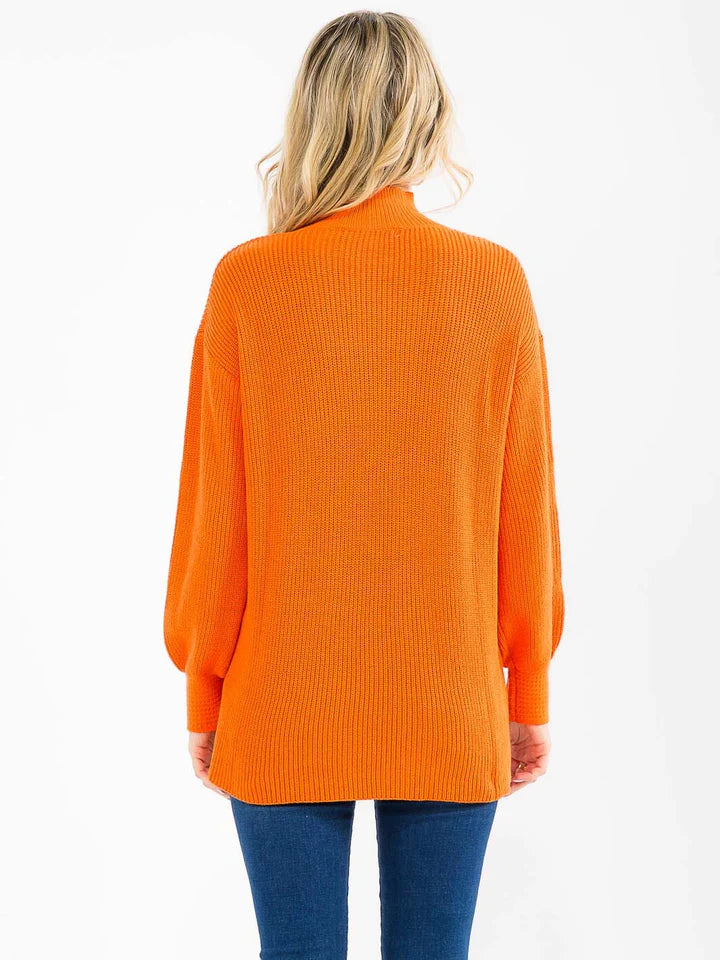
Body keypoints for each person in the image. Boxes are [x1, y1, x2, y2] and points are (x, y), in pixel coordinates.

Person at [162, 10, 565, 960]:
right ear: (426, 118)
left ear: (312, 118)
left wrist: (205, 693)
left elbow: (217, 524)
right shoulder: (493, 282)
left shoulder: (248, 284)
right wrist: (528, 689)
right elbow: (526, 517)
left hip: (280, 699)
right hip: (452, 696)